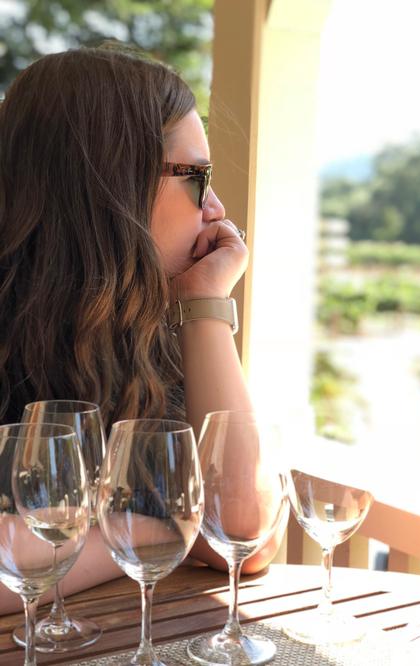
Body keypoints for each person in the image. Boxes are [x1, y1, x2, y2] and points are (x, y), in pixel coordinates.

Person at [0, 45, 287, 614]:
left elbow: (243, 537)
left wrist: (204, 305)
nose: (215, 209)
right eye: (198, 177)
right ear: (107, 182)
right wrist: (153, 527)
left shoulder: (140, 335)